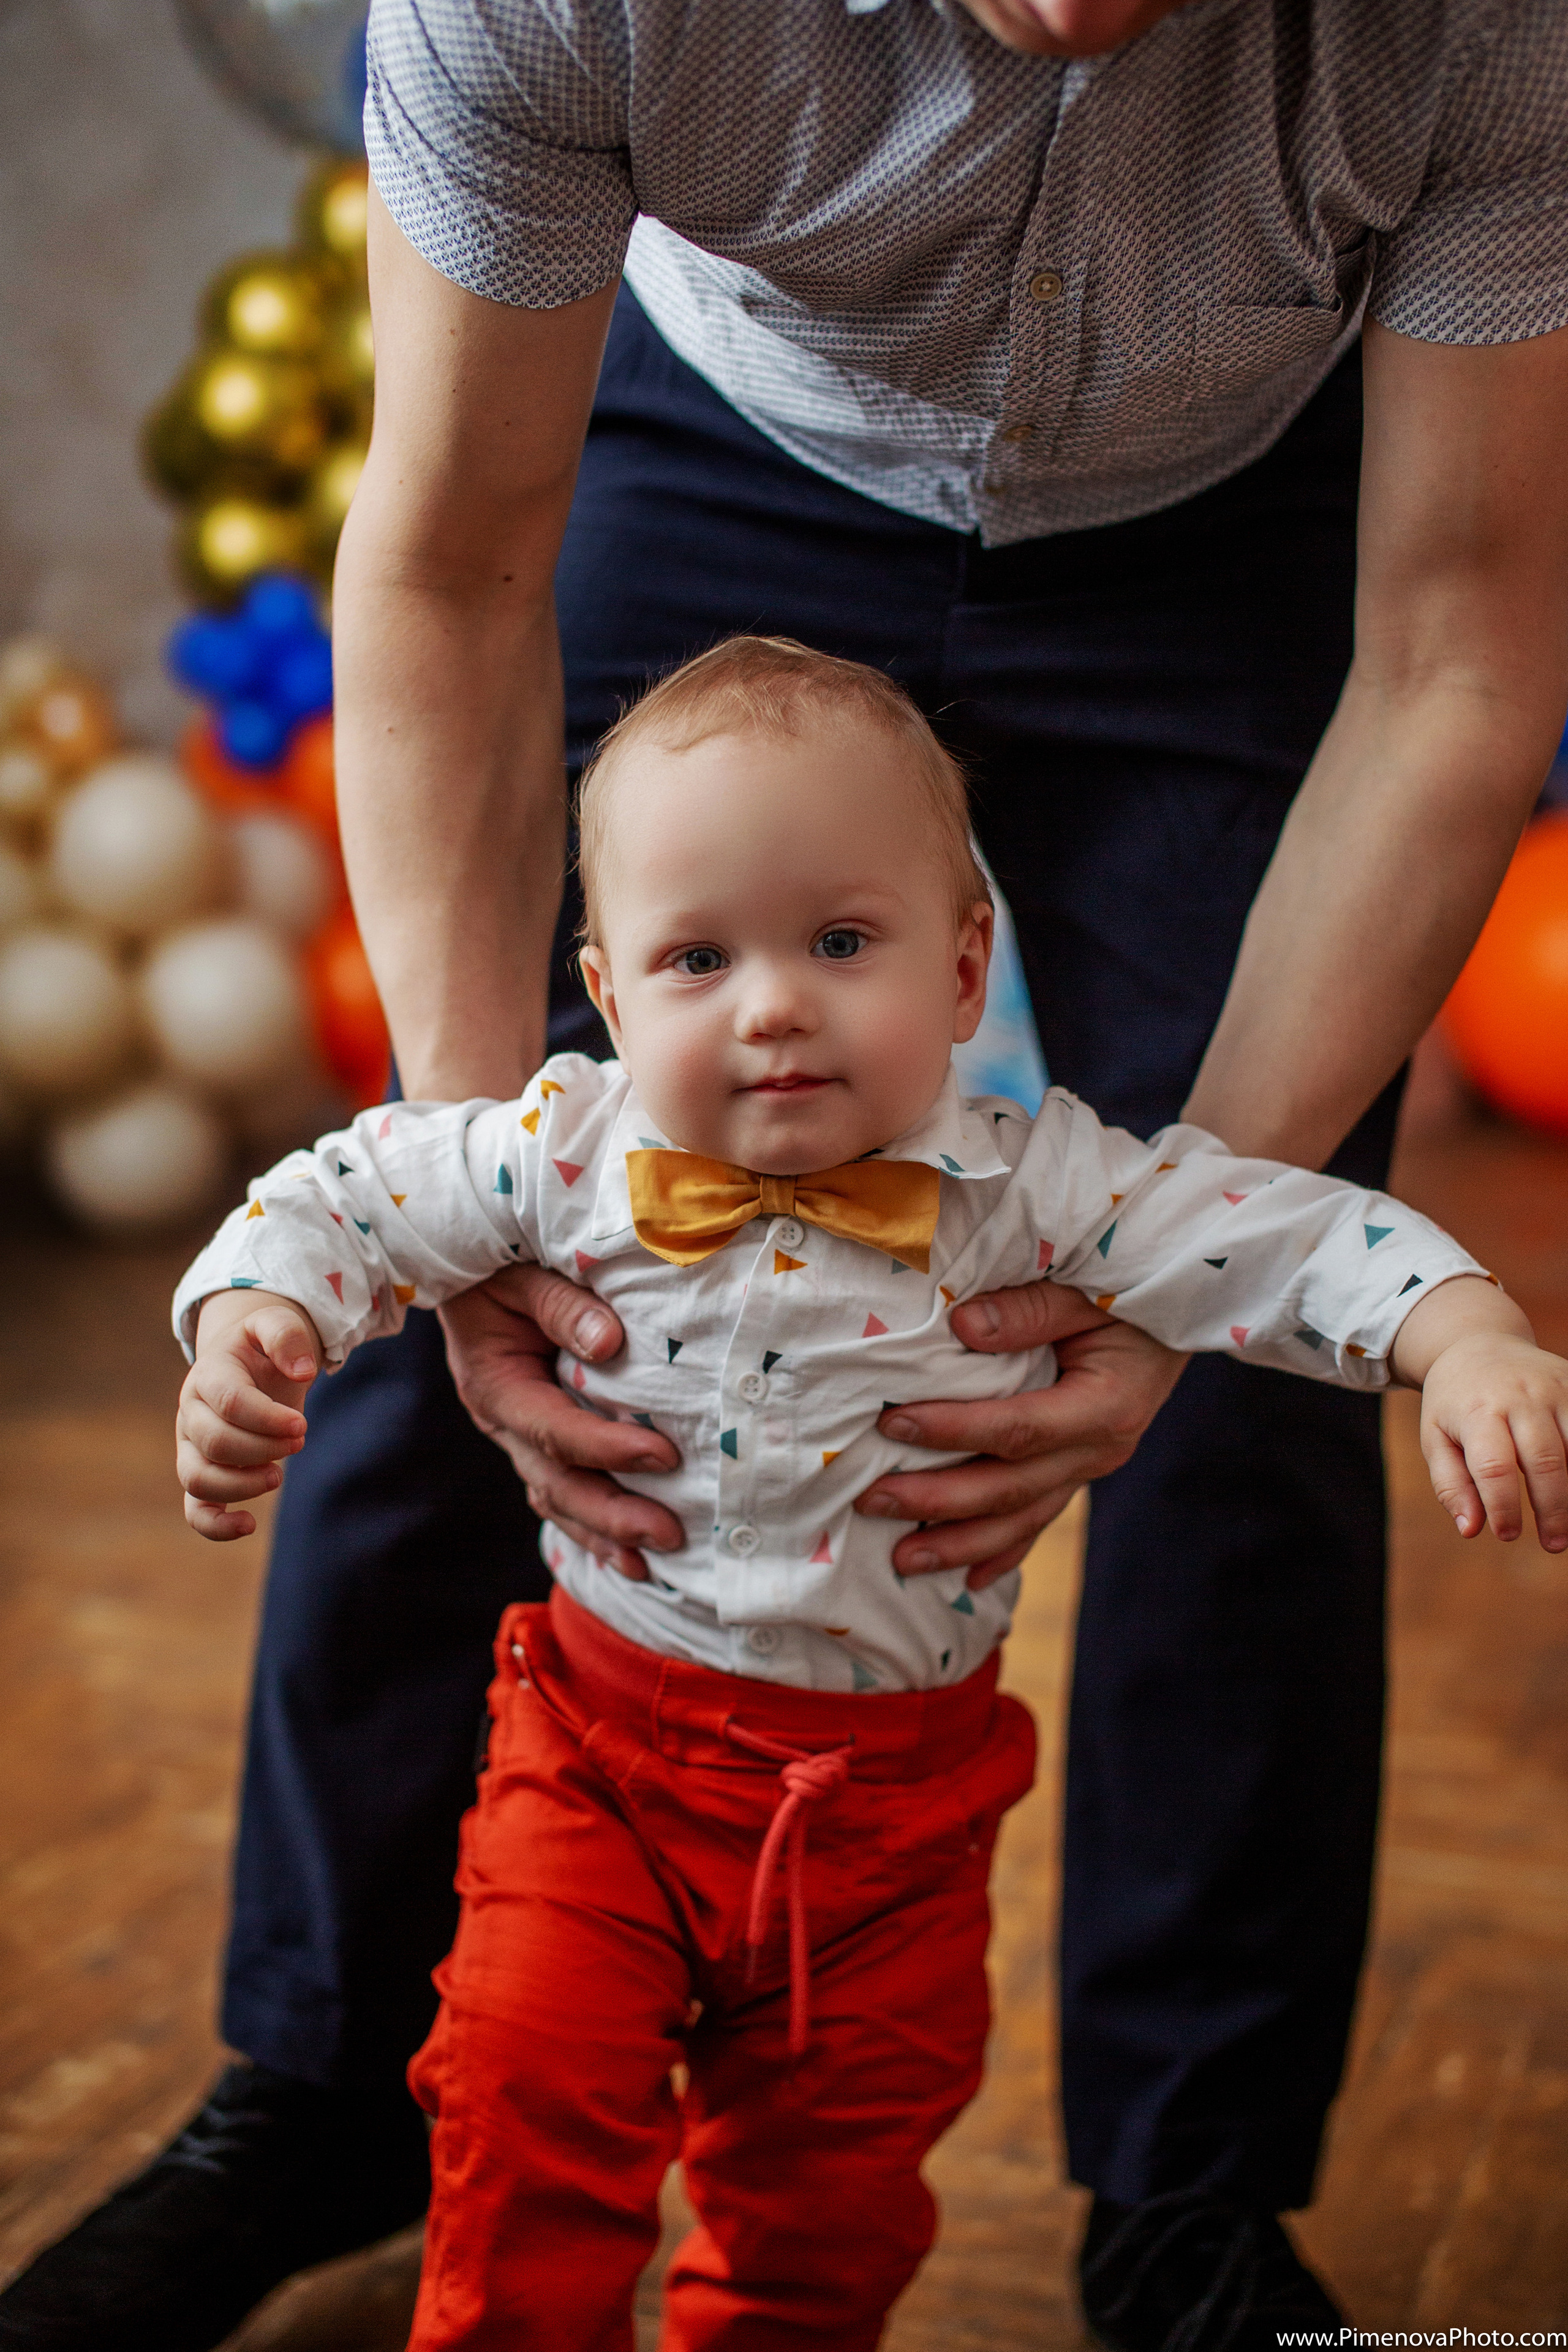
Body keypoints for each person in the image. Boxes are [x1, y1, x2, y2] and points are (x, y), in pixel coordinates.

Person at [4, 2, 1567, 2347]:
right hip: (726, 434)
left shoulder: (1490, 34)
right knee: (494, 1223)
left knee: (1254, 1363)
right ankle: (326, 2078)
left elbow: (1455, 651)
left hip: (1229, 503)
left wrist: (1216, 1259)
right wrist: (484, 1189)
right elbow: (440, 566)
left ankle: (1189, 2204)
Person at [168, 637, 1568, 2350]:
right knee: (523, 2109)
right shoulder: (555, 1147)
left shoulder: (1036, 1190)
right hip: (598, 1762)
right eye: (700, 957)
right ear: (607, 994)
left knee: (831, 2203)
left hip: (895, 1830)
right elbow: (348, 1195)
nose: (772, 1004)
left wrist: (1465, 1333)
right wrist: (254, 1316)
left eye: (842, 943)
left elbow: (1285, 1232)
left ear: (967, 968)